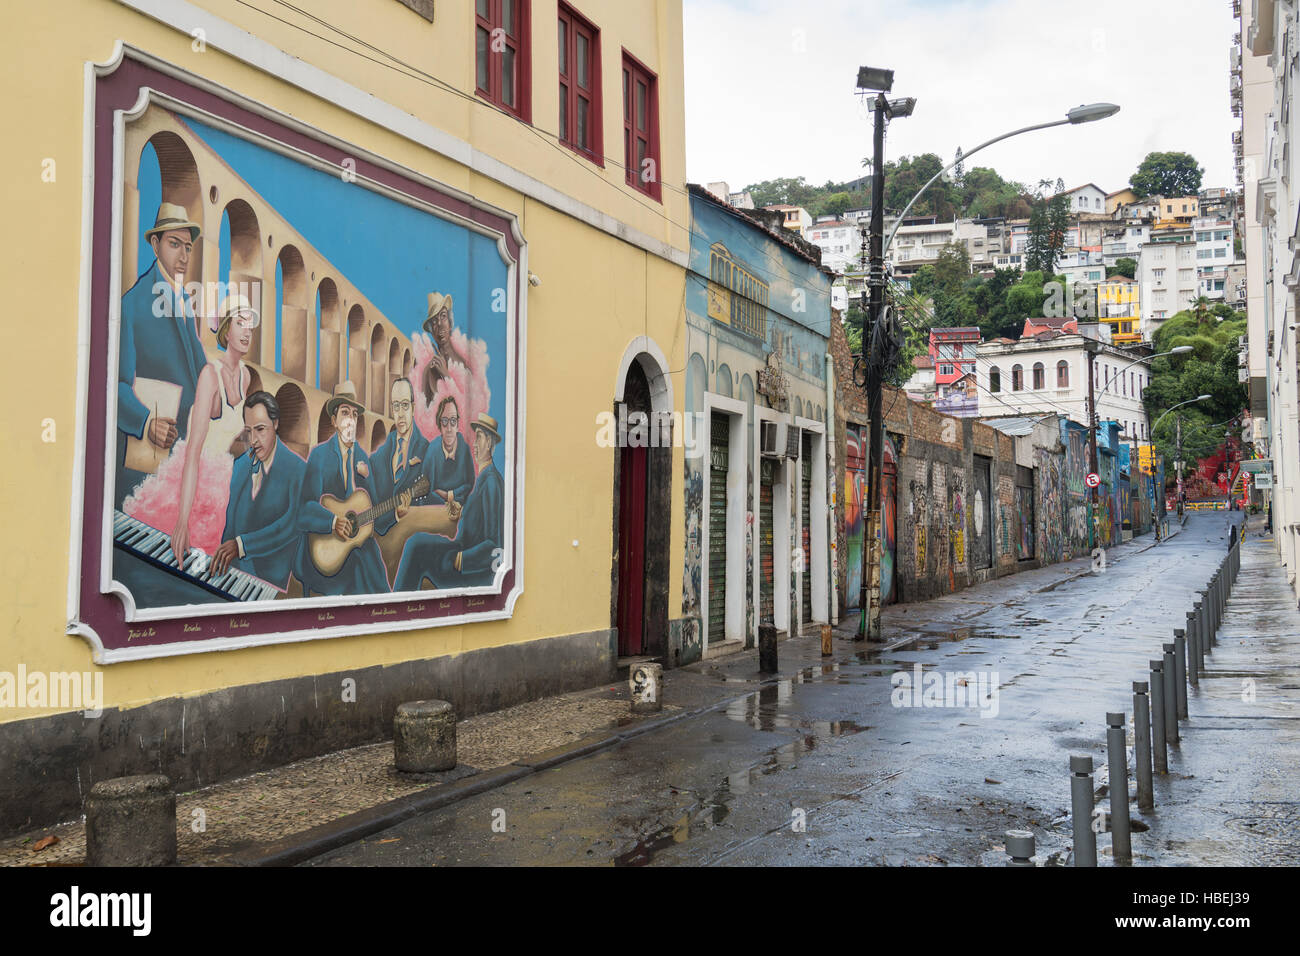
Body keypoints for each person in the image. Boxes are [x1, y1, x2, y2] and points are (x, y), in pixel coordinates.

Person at [117, 202, 208, 505]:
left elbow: (197, 373)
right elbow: (115, 385)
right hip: (148, 470)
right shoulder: (133, 304)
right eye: (174, 244)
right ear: (155, 245)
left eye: (188, 247)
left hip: (184, 464)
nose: (183, 257)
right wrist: (145, 422)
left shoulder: (185, 302)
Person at [167, 293, 257, 562]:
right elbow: (192, 452)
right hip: (198, 489)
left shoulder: (246, 376)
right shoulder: (210, 376)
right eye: (241, 324)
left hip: (228, 489)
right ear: (227, 330)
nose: (247, 332)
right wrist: (183, 520)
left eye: (250, 327)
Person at [295, 381, 391, 596]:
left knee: (369, 554)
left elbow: (374, 512)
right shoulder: (319, 456)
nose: (350, 420)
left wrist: (397, 512)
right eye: (345, 413)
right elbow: (304, 510)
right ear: (334, 421)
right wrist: (333, 522)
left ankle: (384, 611)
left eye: (355, 415)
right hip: (321, 548)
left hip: (352, 548)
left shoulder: (363, 459)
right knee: (363, 563)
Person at [394, 413, 504, 591]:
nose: (475, 444)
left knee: (416, 548)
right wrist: (461, 510)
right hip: (461, 551)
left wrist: (462, 560)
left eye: (480, 438)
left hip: (469, 568)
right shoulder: (485, 478)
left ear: (490, 443)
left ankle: (399, 604)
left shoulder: (491, 481)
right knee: (417, 542)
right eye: (475, 438)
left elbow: (495, 545)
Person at [210, 391, 306, 592]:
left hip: (270, 583)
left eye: (261, 429)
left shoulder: (298, 469)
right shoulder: (240, 465)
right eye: (248, 431)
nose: (253, 440)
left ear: (276, 424)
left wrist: (241, 546)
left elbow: (291, 525)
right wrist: (219, 564)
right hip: (234, 574)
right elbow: (231, 521)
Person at [370, 378, 430, 536]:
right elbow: (372, 507)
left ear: (413, 407)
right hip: (381, 538)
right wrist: (395, 514)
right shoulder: (379, 457)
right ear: (391, 409)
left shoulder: (427, 451)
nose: (401, 414)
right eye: (396, 406)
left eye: (405, 405)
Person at [423, 395, 475, 512]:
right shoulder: (432, 451)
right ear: (439, 425)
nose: (449, 428)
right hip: (437, 513)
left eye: (453, 421)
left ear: (457, 425)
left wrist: (448, 495)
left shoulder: (464, 449)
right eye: (445, 421)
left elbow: (470, 484)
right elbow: (426, 492)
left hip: (462, 512)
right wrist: (449, 504)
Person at [421, 292, 468, 403]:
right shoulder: (428, 371)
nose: (439, 324)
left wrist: (445, 375)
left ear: (450, 323)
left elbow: (468, 409)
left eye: (443, 316)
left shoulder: (463, 364)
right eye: (434, 321)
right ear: (431, 332)